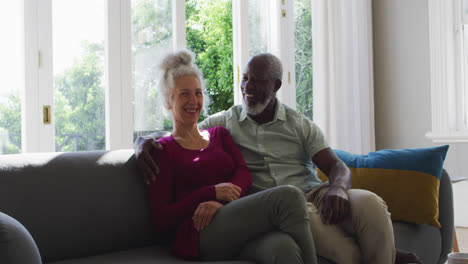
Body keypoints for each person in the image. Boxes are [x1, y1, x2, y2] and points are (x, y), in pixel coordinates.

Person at [135, 52, 423, 264]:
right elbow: (182, 130)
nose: (247, 87)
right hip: (281, 209)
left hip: (315, 193)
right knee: (344, 251)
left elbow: (336, 166)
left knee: (371, 204)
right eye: (244, 79)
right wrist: (141, 141)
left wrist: (336, 187)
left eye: (257, 81)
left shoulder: (298, 124)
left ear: (275, 86)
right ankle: (392, 257)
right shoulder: (228, 121)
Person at [147, 50, 317, 264]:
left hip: (236, 222)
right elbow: (161, 219)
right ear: (167, 102)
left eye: (198, 93)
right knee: (289, 197)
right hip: (201, 234)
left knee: (284, 248)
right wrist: (210, 193)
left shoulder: (219, 134)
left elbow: (243, 172)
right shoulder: (164, 151)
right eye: (184, 94)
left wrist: (220, 200)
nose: (194, 100)